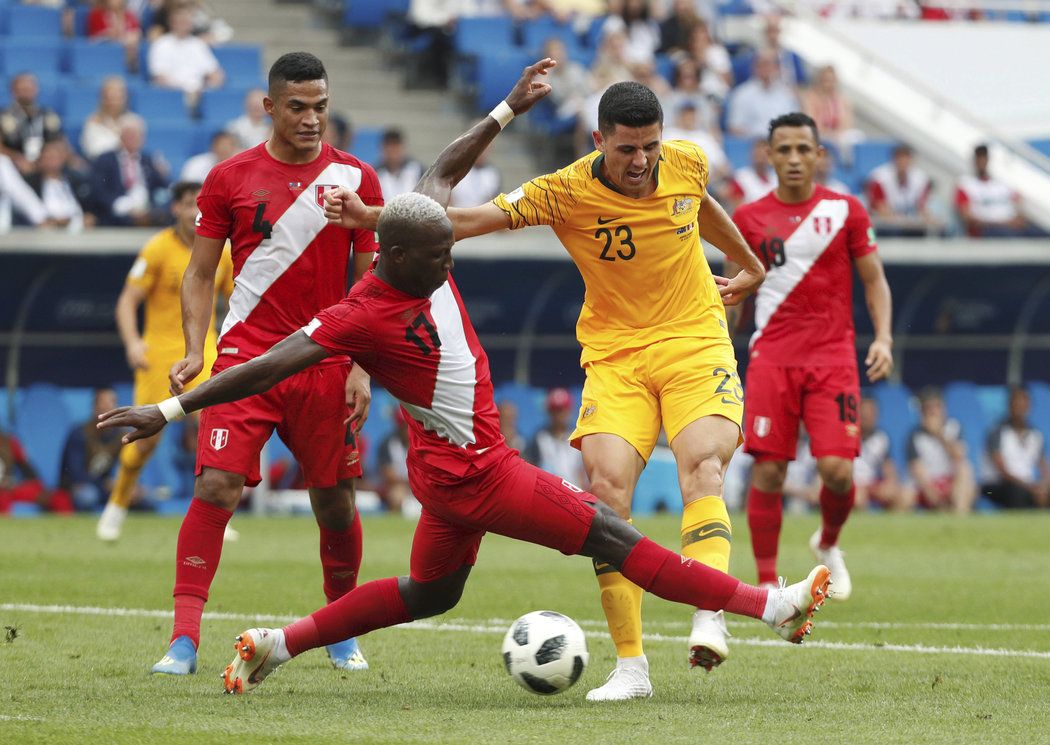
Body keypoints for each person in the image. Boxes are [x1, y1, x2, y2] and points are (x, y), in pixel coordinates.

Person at [98, 61, 832, 695]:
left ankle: (277, 643)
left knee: (431, 592)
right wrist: (169, 408)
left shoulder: (418, 234)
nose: (451, 259)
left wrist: (508, 108)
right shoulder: (362, 314)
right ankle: (771, 605)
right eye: (439, 254)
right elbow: (266, 361)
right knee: (612, 533)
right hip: (479, 469)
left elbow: (442, 176)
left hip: (442, 470)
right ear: (398, 254)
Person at [326, 78, 767, 701]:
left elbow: (698, 204)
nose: (641, 162)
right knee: (608, 493)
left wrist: (749, 264)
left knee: (702, 466)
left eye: (650, 147)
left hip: (695, 340)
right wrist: (374, 218)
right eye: (627, 150)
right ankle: (632, 668)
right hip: (616, 356)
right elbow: (471, 219)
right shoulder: (564, 190)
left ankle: (709, 611)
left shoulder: (687, 161)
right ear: (599, 142)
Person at [149, 51, 384, 678]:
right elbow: (200, 273)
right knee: (216, 486)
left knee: (334, 501)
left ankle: (340, 629)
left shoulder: (358, 178)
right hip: (245, 361)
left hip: (325, 359)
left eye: (321, 107)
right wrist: (195, 349)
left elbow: (372, 284)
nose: (312, 119)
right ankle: (183, 640)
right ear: (271, 107)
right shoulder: (230, 177)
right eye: (299, 107)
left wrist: (361, 366)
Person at [727, 112, 894, 602]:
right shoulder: (747, 219)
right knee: (769, 470)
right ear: (769, 155)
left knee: (839, 471)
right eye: (785, 150)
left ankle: (827, 541)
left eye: (804, 149)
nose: (795, 159)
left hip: (833, 358)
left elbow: (873, 280)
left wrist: (882, 337)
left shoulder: (847, 211)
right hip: (772, 358)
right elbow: (729, 293)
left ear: (819, 155)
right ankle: (764, 585)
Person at [96, 180, 234, 541]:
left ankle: (215, 514)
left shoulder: (221, 251)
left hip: (203, 350)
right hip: (159, 352)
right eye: (189, 205)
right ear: (176, 209)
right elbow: (128, 301)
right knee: (145, 441)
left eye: (200, 206)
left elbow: (239, 299)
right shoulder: (158, 248)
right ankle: (117, 503)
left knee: (216, 429)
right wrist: (132, 344)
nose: (196, 213)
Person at [90, 114, 170, 227]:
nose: (133, 139)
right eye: (129, 135)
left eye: (136, 135)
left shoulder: (148, 160)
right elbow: (99, 191)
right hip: (118, 213)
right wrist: (121, 205)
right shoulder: (106, 159)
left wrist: (164, 174)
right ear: (120, 136)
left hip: (146, 211)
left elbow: (164, 186)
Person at [905, 387, 976, 513]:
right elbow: (916, 469)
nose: (933, 412)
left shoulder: (954, 427)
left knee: (965, 469)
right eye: (929, 408)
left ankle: (959, 515)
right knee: (904, 495)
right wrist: (933, 494)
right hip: (927, 484)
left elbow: (959, 455)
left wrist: (939, 434)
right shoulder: (914, 435)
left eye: (937, 407)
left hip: (951, 482)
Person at [59, 387, 124, 511]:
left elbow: (128, 465)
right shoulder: (79, 433)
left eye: (112, 403)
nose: (108, 407)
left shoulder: (119, 436)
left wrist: (127, 486)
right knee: (88, 496)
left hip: (106, 488)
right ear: (94, 407)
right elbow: (75, 473)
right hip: (79, 486)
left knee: (147, 498)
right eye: (104, 404)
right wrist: (105, 485)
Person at [983, 387, 1050, 509]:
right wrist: (1031, 487)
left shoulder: (1035, 435)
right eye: (1016, 404)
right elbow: (1002, 471)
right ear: (1009, 406)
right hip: (994, 488)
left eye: (1023, 404)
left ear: (1029, 407)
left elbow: (1044, 467)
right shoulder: (997, 432)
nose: (1020, 409)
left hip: (1027, 486)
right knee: (1017, 492)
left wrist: (1045, 485)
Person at [147, 2, 224, 105]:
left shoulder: (198, 45)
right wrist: (184, 92)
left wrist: (206, 90)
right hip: (170, 97)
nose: (184, 24)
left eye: (186, 21)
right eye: (180, 21)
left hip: (199, 95)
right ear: (171, 22)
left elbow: (216, 74)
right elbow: (160, 77)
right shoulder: (161, 44)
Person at [955, 144, 1032, 238]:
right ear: (974, 161)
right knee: (1009, 236)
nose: (982, 162)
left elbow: (1019, 204)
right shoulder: (965, 184)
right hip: (987, 230)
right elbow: (967, 217)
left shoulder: (1001, 184)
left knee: (1040, 233)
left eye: (984, 158)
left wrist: (1018, 219)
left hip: (1010, 227)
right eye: (979, 158)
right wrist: (1004, 223)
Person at [865, 144, 940, 237]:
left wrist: (926, 218)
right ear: (893, 159)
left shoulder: (921, 178)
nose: (903, 162)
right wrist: (902, 221)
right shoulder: (879, 178)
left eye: (906, 158)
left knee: (926, 233)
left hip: (908, 222)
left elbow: (922, 208)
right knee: (892, 231)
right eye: (900, 158)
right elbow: (881, 209)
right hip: (883, 224)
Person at [726, 50, 798, 140]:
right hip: (753, 146)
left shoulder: (787, 95)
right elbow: (734, 128)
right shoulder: (742, 94)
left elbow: (795, 125)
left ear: (776, 68)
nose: (766, 69)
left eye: (769, 64)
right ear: (754, 67)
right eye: (762, 64)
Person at [0, 73, 64, 174]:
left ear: (36, 89)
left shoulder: (47, 114)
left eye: (29, 89)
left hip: (44, 162)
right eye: (22, 89)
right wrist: (17, 158)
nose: (26, 93)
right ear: (13, 91)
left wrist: (46, 158)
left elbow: (58, 141)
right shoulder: (3, 115)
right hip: (13, 165)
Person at [27, 139, 94, 230]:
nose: (52, 161)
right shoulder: (31, 184)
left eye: (55, 157)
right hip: (46, 231)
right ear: (40, 159)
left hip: (77, 228)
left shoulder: (74, 181)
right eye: (48, 157)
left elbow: (89, 212)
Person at [524, 387, 585, 485]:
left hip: (574, 494)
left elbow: (582, 472)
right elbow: (530, 467)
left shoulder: (578, 437)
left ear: (569, 410)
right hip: (547, 494)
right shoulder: (540, 437)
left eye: (562, 409)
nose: (559, 414)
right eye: (555, 410)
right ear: (549, 412)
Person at [853, 397, 905, 510]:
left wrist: (890, 483)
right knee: (858, 498)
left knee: (898, 495)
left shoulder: (882, 438)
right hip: (853, 484)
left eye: (871, 412)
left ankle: (891, 527)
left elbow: (889, 467)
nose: (868, 417)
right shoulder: (847, 435)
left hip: (873, 484)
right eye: (864, 412)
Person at [80, 77, 130, 161]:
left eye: (118, 97)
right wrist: (120, 144)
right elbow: (93, 151)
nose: (114, 102)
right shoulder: (93, 122)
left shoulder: (133, 120)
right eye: (110, 97)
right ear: (103, 99)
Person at [725, 138, 776, 212]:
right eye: (758, 152)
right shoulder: (741, 177)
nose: (761, 155)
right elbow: (738, 209)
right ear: (751, 154)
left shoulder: (776, 179)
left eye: (764, 153)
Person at [376, 128, 424, 200]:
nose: (393, 150)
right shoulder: (376, 173)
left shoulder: (417, 170)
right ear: (383, 148)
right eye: (390, 146)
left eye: (396, 146)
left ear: (403, 147)